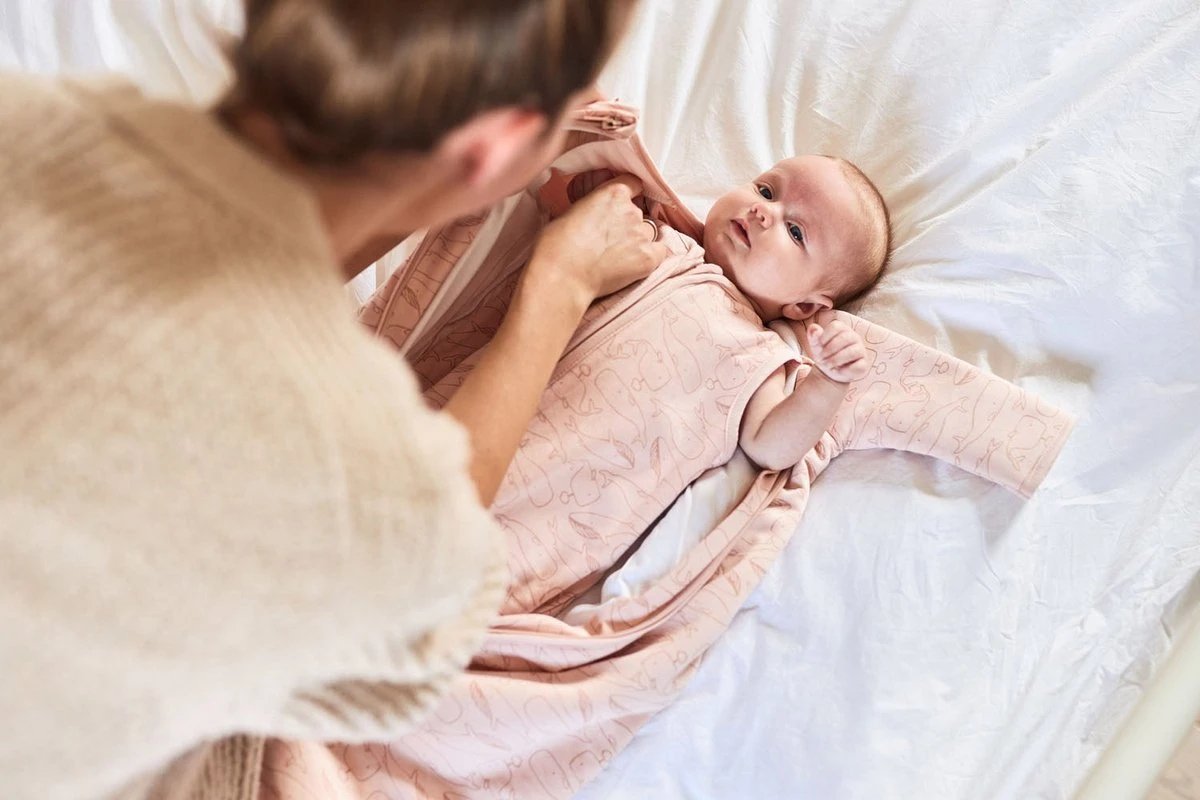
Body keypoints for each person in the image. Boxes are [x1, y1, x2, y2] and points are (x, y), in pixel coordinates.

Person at [0, 1, 665, 799]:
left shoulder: (26, 122)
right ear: (493, 145)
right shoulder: (351, 474)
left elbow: (218, 249)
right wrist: (559, 284)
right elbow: (424, 607)